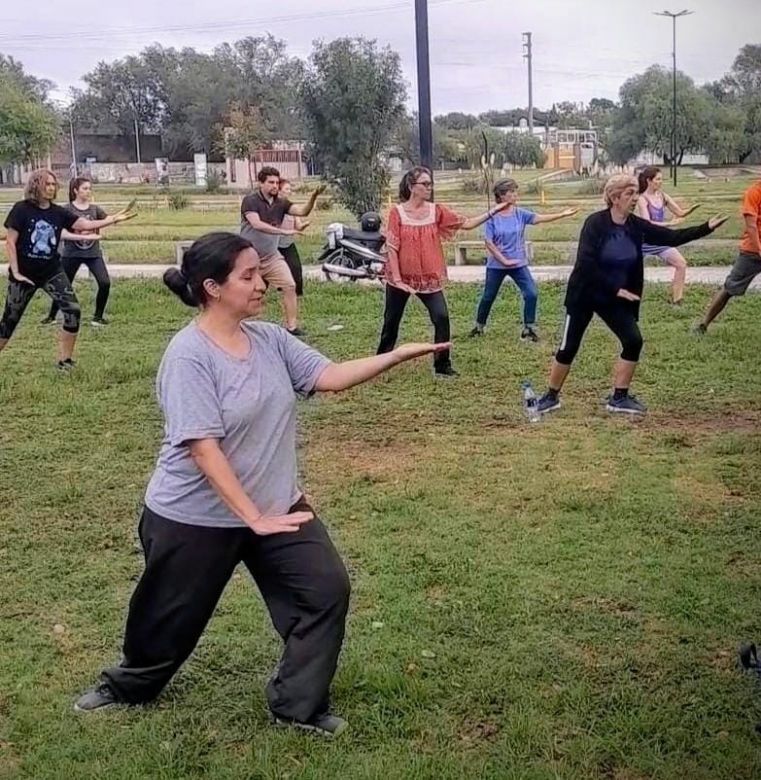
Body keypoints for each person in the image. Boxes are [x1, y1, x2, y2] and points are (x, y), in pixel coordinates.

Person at [74, 232, 450, 736]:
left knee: (324, 590)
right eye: (248, 276)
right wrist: (251, 517)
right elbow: (202, 447)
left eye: (260, 273)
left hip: (275, 506)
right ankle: (130, 684)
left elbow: (329, 376)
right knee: (167, 619)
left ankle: (296, 705)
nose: (263, 284)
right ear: (212, 287)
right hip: (195, 516)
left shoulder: (270, 339)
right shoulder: (189, 356)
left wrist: (396, 354)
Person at [535, 174, 726, 416]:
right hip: (585, 293)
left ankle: (619, 398)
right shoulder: (595, 223)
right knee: (569, 346)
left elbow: (671, 237)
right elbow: (586, 264)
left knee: (633, 340)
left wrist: (705, 228)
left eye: (636, 193)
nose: (635, 198)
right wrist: (616, 288)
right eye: (629, 194)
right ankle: (551, 396)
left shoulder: (635, 225)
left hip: (615, 297)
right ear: (615, 198)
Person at [377, 166, 512, 377]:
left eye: (430, 184)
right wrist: (397, 279)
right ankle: (379, 363)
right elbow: (392, 247)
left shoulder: (436, 210)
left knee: (441, 317)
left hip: (429, 279)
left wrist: (493, 211)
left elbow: (465, 223)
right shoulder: (398, 212)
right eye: (425, 184)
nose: (429, 188)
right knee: (391, 321)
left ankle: (442, 364)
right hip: (400, 279)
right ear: (412, 187)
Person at [1, 169, 134, 368]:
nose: (51, 188)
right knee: (9, 321)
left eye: (54, 184)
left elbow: (85, 224)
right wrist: (16, 272)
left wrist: (112, 219)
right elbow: (10, 242)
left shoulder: (59, 212)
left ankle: (65, 361)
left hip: (51, 272)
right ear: (36, 185)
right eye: (47, 184)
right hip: (24, 275)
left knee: (73, 310)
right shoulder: (21, 209)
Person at [468, 178, 578, 342]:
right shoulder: (492, 217)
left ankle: (528, 328)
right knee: (488, 296)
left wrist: (562, 214)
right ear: (501, 195)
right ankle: (479, 326)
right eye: (511, 192)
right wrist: (504, 261)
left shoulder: (520, 213)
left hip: (518, 264)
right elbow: (488, 243)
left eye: (515, 191)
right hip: (497, 265)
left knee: (531, 293)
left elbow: (539, 218)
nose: (515, 194)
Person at [240, 166, 324, 336]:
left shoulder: (281, 202)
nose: (275, 186)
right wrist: (283, 231)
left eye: (277, 182)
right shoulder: (250, 201)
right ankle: (238, 325)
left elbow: (302, 212)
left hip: (271, 257)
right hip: (249, 257)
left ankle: (292, 327)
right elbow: (256, 224)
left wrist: (313, 197)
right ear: (260, 183)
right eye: (271, 182)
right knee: (245, 292)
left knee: (290, 285)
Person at [43, 176, 112, 327]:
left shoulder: (95, 209)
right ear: (76, 190)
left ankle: (98, 317)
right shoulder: (67, 209)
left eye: (89, 188)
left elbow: (107, 221)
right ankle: (51, 316)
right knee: (62, 285)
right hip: (71, 254)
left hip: (93, 254)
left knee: (105, 283)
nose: (88, 191)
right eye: (85, 188)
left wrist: (117, 219)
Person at [696, 176, 761, 334]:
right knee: (730, 287)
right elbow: (751, 226)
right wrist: (759, 250)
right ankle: (703, 325)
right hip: (753, 252)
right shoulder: (754, 192)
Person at [636, 166, 700, 305]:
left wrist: (690, 210)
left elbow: (679, 213)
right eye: (658, 179)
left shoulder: (663, 196)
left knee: (681, 264)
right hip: (645, 241)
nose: (660, 182)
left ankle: (677, 300)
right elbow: (647, 224)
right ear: (649, 181)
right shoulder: (642, 199)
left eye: (661, 179)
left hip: (660, 239)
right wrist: (669, 224)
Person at [277, 178, 305, 298]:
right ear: (279, 191)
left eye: (290, 189)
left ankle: (298, 295)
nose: (289, 191)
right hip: (274, 245)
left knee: (295, 268)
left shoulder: (293, 208)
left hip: (288, 244)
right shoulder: (273, 208)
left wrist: (303, 226)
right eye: (287, 189)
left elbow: (298, 226)